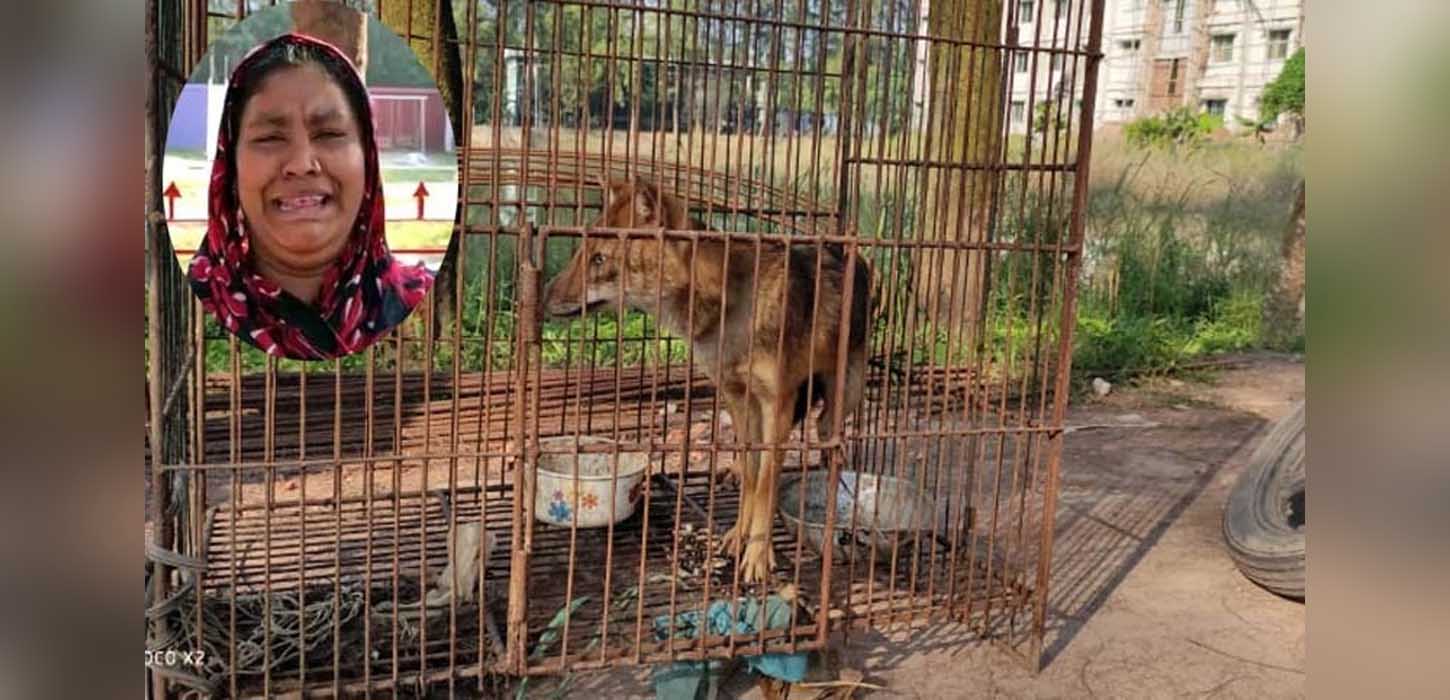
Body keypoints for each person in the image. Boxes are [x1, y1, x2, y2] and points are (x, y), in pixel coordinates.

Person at [187, 32, 433, 360]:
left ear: (368, 158)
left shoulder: (413, 298)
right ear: (230, 163)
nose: (302, 164)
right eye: (270, 137)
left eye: (330, 134)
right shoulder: (194, 301)